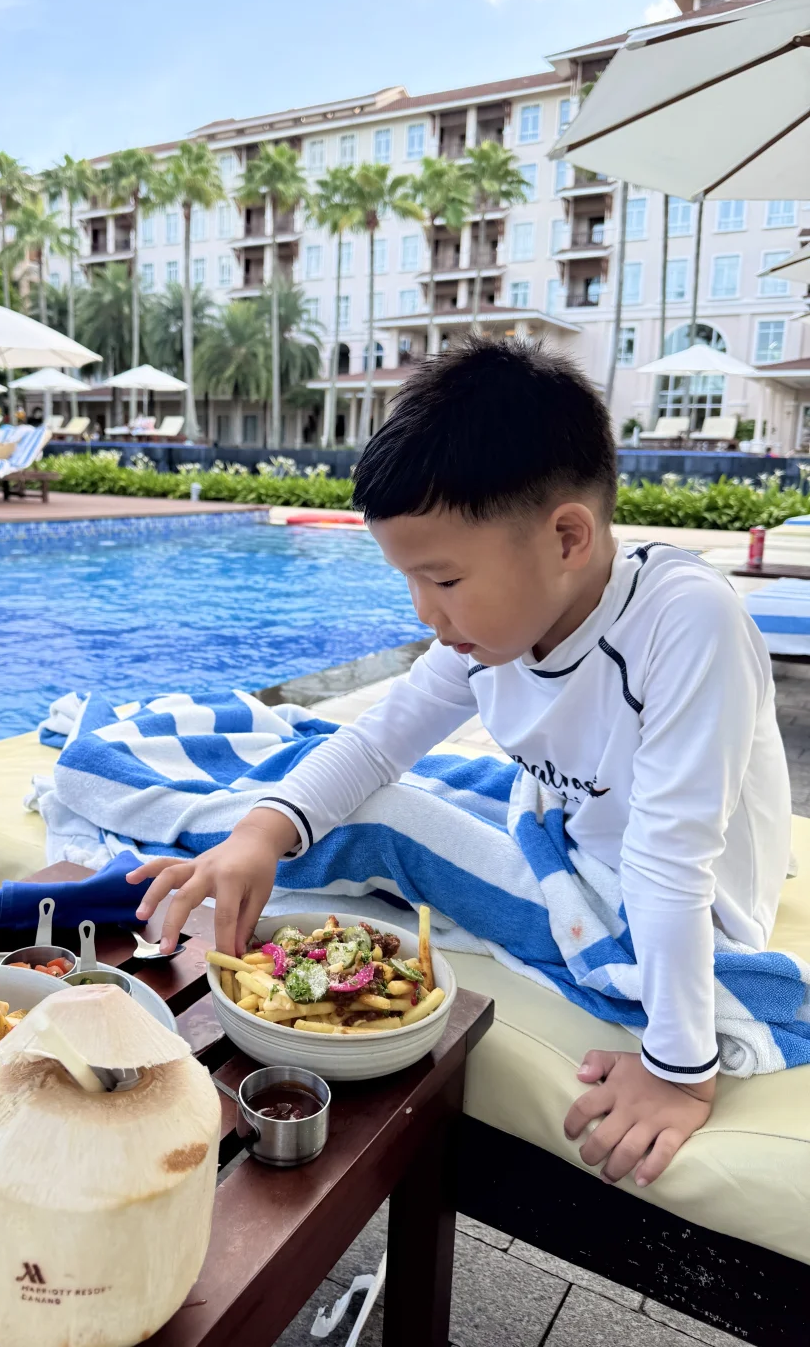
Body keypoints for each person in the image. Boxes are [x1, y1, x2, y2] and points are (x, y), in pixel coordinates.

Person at [128, 336, 791, 1186]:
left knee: (386, 819)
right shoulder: (497, 631)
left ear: (567, 537)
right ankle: (225, 849)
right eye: (410, 581)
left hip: (677, 902)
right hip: (574, 823)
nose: (425, 612)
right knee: (321, 789)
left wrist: (679, 1071)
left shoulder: (686, 622)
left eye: (443, 580)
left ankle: (185, 843)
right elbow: (377, 740)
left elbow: (670, 860)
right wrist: (260, 833)